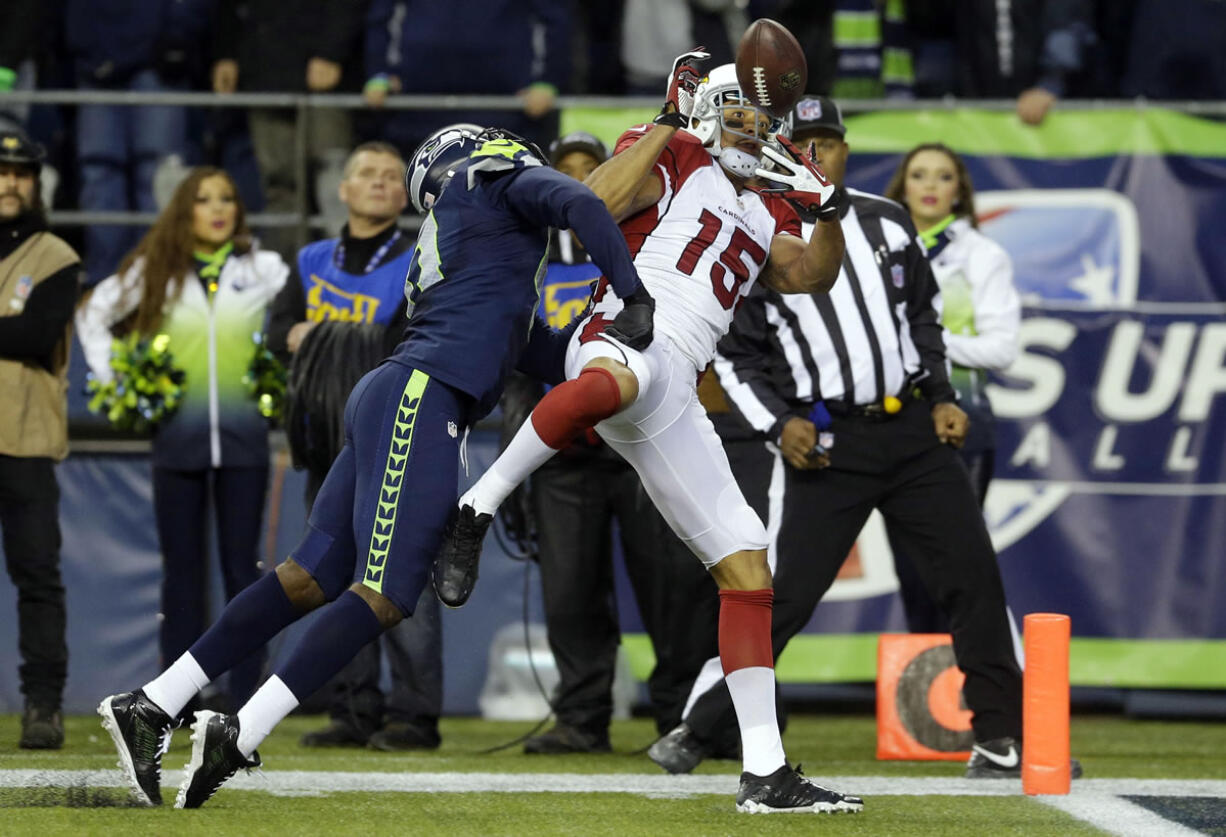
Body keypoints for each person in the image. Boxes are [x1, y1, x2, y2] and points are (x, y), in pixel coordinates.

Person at [96, 123, 653, 809]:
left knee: (308, 577)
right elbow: (584, 204)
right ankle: (241, 732)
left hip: (397, 390)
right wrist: (635, 296)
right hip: (422, 395)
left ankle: (155, 700)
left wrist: (619, 363)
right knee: (387, 591)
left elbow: (533, 344)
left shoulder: (470, 230)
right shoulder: (493, 179)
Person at [436, 55, 865, 814]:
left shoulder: (769, 201)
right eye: (735, 111)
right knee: (623, 378)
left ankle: (765, 772)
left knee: (747, 567)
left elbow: (809, 276)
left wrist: (829, 211)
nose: (750, 126)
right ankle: (477, 503)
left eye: (760, 118)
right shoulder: (673, 148)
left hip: (680, 374)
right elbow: (591, 201)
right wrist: (668, 124)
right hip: (622, 324)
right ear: (704, 107)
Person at [656, 95, 1062, 782]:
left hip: (911, 432)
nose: (816, 152)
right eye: (803, 141)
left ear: (846, 149)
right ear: (785, 148)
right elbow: (734, 355)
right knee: (781, 594)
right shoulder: (760, 229)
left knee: (974, 579)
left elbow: (923, 320)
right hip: (826, 441)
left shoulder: (887, 218)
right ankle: (698, 726)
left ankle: (1002, 736)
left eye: (828, 142)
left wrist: (941, 396)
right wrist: (777, 423)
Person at [503, 131, 724, 754]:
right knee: (570, 590)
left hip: (639, 438)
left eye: (590, 171)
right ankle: (581, 715)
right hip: (564, 448)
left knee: (671, 583)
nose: (577, 184)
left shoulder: (647, 241)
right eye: (564, 172)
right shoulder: (529, 250)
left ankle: (678, 714)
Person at [77, 168, 288, 721]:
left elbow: (296, 324)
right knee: (182, 573)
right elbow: (93, 314)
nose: (218, 209)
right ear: (183, 210)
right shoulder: (157, 271)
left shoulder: (263, 269)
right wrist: (118, 384)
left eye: (227, 198)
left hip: (245, 441)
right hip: (177, 440)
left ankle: (245, 699)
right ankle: (178, 700)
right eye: (203, 200)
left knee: (245, 570)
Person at [265, 140, 443, 752]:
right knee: (336, 573)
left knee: (402, 573)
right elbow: (274, 332)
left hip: (402, 436)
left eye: (392, 176)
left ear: (406, 194)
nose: (379, 183)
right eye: (366, 174)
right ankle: (353, 709)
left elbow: (408, 340)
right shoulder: (312, 258)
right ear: (341, 189)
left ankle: (415, 715)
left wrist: (321, 337)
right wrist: (351, 339)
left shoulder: (423, 255)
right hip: (328, 440)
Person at [880, 143, 1021, 631]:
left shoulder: (982, 255)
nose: (931, 187)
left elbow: (1002, 349)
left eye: (943, 177)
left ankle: (977, 683)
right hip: (890, 422)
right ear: (903, 186)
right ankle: (927, 693)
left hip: (960, 422)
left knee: (957, 564)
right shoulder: (882, 248)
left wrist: (923, 342)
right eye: (920, 175)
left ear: (959, 189)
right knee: (911, 570)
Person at [0, 129, 80, 749]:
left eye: (21, 172)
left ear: (37, 181)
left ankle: (43, 705)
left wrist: (16, 327)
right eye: (1, 171)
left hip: (25, 438)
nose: (9, 183)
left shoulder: (56, 255)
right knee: (38, 579)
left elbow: (34, 336)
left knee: (37, 576)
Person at [66, 0, 210, 284]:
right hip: (94, 63)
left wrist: (178, 39)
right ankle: (106, 283)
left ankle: (160, 277)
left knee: (159, 176)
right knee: (99, 173)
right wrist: (81, 45)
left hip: (159, 63)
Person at [212, 0, 364, 257]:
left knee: (333, 179)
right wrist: (226, 53)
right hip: (263, 71)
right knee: (280, 186)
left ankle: (349, 274)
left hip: (325, 79)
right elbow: (225, 8)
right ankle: (282, 279)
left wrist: (332, 50)